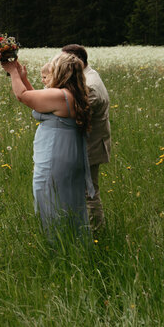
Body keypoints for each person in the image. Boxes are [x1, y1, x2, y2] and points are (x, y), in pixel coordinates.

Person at [1, 52, 94, 238]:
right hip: (65, 152)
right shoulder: (69, 94)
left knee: (49, 198)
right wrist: (23, 78)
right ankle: (72, 242)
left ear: (62, 72)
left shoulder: (61, 95)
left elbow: (22, 96)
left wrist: (13, 73)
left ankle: (57, 245)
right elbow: (37, 102)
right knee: (66, 199)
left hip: (55, 155)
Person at [62, 44, 111, 232]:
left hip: (90, 146)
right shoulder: (87, 76)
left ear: (76, 62)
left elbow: (73, 116)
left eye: (64, 61)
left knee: (89, 193)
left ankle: (96, 234)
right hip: (90, 144)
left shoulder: (89, 85)